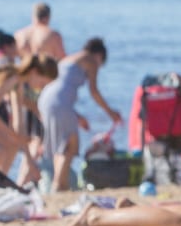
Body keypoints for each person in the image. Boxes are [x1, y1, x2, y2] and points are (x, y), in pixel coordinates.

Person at [39, 39, 121, 192]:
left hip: (47, 99)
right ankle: (58, 185)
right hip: (60, 102)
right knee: (70, 145)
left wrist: (77, 117)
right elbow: (94, 91)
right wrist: (111, 113)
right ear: (99, 55)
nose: (99, 66)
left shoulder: (69, 59)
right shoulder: (91, 60)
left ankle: (61, 185)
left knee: (59, 145)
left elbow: (62, 91)